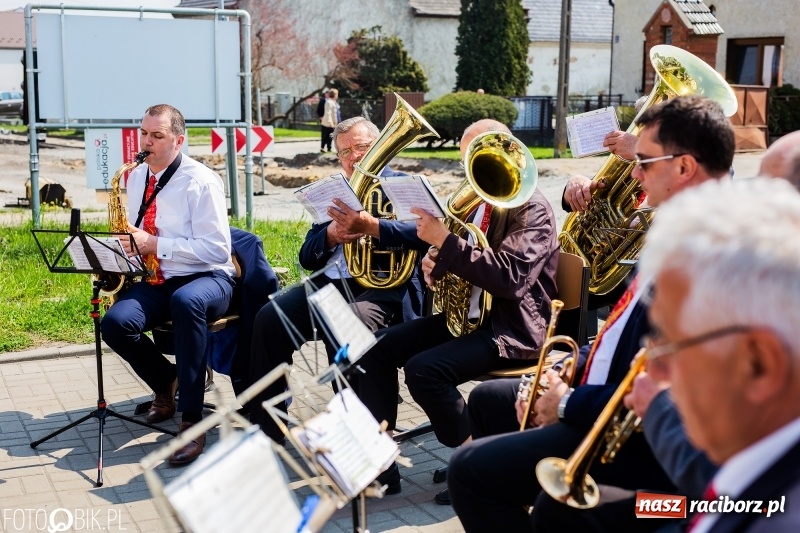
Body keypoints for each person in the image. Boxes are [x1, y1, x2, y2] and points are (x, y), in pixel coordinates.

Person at [447, 95, 737, 530]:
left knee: (471, 472)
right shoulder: (675, 228)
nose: (636, 173)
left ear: (684, 167)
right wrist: (564, 367)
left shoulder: (712, 252)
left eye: (645, 161)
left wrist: (567, 403)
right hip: (610, 400)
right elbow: (621, 334)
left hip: (655, 457)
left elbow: (666, 394)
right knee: (488, 400)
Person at [353, 118, 560, 496]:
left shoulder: (533, 210)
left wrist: (446, 244)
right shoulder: (481, 206)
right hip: (470, 317)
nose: (474, 175)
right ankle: (381, 466)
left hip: (510, 328)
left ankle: (475, 463)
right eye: (470, 162)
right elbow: (465, 255)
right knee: (376, 348)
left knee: (424, 371)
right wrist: (435, 263)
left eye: (481, 161)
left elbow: (511, 279)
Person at [248, 117, 428, 480]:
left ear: (379, 145)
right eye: (345, 151)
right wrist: (329, 235)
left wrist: (373, 227)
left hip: (384, 289)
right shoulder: (336, 190)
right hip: (331, 284)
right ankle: (269, 427)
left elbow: (425, 234)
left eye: (361, 147)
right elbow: (306, 256)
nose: (353, 157)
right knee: (270, 317)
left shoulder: (404, 186)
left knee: (348, 326)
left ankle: (375, 455)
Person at [637, 177, 800, 531]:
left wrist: (657, 411)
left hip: (680, 503)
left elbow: (710, 483)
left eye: (671, 344)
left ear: (758, 365)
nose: (655, 367)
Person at [100, 104, 235, 465]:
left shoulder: (201, 181)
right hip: (159, 277)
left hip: (208, 277)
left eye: (157, 136)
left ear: (178, 140)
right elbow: (136, 233)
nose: (147, 142)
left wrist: (156, 244)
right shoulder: (135, 177)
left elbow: (218, 249)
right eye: (144, 133)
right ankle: (167, 381)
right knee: (114, 323)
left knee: (187, 303)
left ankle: (192, 422)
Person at [320, 88, 339, 152]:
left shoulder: (334, 102)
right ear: (334, 94)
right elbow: (328, 113)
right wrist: (330, 123)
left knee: (330, 136)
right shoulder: (328, 102)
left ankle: (329, 148)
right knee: (325, 136)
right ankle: (322, 147)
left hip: (332, 123)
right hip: (327, 123)